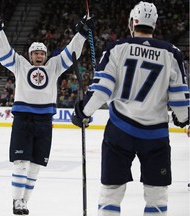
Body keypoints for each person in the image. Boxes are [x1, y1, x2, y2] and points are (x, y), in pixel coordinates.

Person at [71, 1, 189, 216]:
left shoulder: (118, 48)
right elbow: (180, 100)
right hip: (156, 135)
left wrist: (82, 112)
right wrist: (182, 119)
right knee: (157, 196)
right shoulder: (172, 53)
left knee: (111, 192)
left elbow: (101, 90)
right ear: (154, 24)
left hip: (119, 131)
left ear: (133, 22)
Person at [0, 8, 94, 215]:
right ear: (30, 55)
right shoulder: (20, 64)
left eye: (42, 53)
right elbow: (3, 52)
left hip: (44, 121)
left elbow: (71, 53)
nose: (39, 56)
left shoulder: (54, 66)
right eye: (35, 53)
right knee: (21, 162)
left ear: (45, 55)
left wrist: (81, 32)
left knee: (35, 165)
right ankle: (16, 201)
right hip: (23, 119)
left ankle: (25, 201)